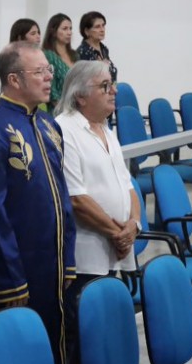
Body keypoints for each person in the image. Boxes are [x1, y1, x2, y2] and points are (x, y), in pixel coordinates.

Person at [0, 41, 76, 364]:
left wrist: (68, 254)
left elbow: (62, 196)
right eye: (40, 71)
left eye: (49, 69)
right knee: (28, 361)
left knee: (59, 347)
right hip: (21, 272)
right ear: (13, 79)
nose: (49, 78)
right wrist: (10, 280)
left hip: (55, 263)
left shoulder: (46, 124)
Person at [55, 61, 139, 283]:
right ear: (81, 96)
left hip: (115, 249)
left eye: (112, 84)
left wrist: (134, 225)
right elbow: (76, 198)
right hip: (87, 257)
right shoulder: (64, 129)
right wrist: (119, 235)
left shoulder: (106, 130)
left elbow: (128, 185)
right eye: (104, 86)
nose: (114, 91)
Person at [41, 13, 76, 111]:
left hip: (78, 109)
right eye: (65, 29)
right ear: (53, 31)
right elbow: (52, 92)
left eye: (70, 29)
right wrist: (65, 112)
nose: (69, 32)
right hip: (58, 111)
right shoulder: (48, 55)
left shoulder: (75, 55)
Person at [76, 11, 118, 81]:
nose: (102, 30)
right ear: (86, 31)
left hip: (111, 90)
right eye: (97, 27)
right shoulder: (82, 52)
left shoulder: (104, 49)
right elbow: (83, 82)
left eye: (103, 25)